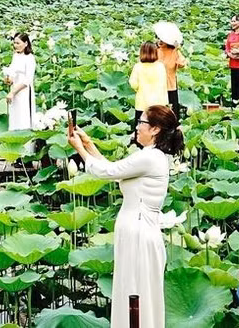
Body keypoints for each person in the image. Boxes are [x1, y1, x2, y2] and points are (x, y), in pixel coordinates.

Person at [68, 105, 183, 328]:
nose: (137, 127)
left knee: (136, 291)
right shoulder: (149, 156)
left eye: (142, 123)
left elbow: (105, 172)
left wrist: (80, 150)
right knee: (132, 290)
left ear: (155, 129)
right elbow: (114, 171)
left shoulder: (151, 158)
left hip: (139, 234)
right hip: (136, 231)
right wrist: (89, 144)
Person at [129, 42, 168, 143]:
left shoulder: (138, 67)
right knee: (158, 132)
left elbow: (133, 84)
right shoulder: (160, 66)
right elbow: (164, 84)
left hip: (142, 104)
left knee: (141, 131)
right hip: (159, 104)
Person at [4, 33, 36, 131]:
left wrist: (12, 92)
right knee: (14, 116)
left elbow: (27, 80)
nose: (15, 45)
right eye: (14, 43)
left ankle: (27, 145)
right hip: (14, 88)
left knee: (24, 117)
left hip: (24, 92)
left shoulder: (30, 58)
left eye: (18, 43)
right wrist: (8, 80)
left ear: (26, 43)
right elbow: (12, 72)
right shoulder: (16, 56)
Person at [155, 27, 188, 119]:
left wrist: (177, 49)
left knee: (172, 112)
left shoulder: (174, 52)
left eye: (162, 39)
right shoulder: (155, 51)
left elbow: (182, 64)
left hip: (170, 85)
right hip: (157, 85)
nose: (159, 41)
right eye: (158, 38)